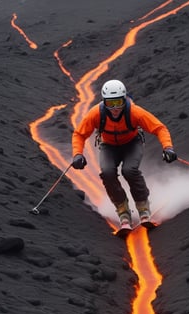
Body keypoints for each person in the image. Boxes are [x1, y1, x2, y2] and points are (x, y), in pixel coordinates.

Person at [71, 79, 177, 229]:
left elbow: (159, 128)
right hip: (108, 146)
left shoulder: (135, 112)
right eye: (110, 103)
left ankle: (143, 208)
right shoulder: (96, 113)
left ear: (125, 99)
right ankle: (123, 212)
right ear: (104, 102)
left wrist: (168, 148)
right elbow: (79, 134)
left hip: (132, 144)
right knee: (107, 172)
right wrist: (77, 154)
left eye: (119, 102)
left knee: (129, 170)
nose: (115, 108)